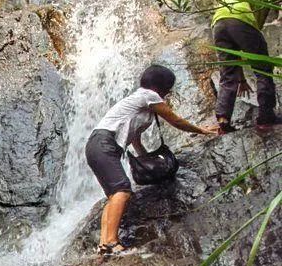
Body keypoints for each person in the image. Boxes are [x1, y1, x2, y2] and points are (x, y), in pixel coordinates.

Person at [85, 64, 218, 255]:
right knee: (122, 190)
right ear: (160, 87)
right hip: (104, 144)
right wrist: (202, 131)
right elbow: (176, 121)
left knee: (115, 195)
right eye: (168, 90)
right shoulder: (149, 96)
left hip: (96, 145)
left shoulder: (137, 101)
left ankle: (104, 244)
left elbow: (135, 139)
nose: (168, 95)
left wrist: (146, 160)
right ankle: (112, 243)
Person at [212, 0, 282, 133]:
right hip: (240, 20)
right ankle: (266, 117)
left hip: (218, 24)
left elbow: (238, 56)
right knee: (263, 69)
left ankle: (223, 119)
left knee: (227, 73)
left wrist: (242, 80)